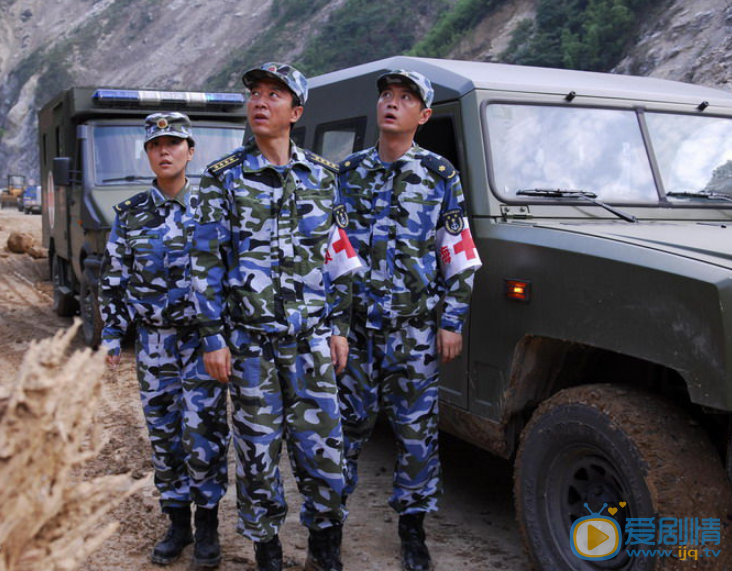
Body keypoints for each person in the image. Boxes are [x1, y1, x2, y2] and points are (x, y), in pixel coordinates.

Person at [190, 62, 360, 571]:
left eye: (274, 94)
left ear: (297, 111)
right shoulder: (223, 180)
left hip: (311, 343)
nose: (260, 102)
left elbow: (339, 258)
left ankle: (325, 551)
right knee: (259, 458)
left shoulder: (324, 178)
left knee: (324, 453)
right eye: (255, 94)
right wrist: (212, 338)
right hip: (250, 348)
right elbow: (205, 266)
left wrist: (340, 326)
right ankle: (268, 552)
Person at [337, 70, 482, 571]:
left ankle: (413, 531)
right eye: (386, 96)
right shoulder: (348, 173)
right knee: (346, 429)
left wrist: (452, 321)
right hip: (355, 333)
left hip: (414, 333)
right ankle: (329, 525)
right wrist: (332, 326)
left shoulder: (441, 176)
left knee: (416, 433)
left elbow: (457, 254)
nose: (391, 104)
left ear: (423, 116)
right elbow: (333, 256)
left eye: (404, 99)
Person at [99, 112, 230, 568]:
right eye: (156, 145)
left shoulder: (214, 209)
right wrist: (113, 332)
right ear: (148, 154)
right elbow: (113, 278)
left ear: (190, 151)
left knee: (206, 434)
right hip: (154, 345)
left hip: (202, 344)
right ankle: (178, 524)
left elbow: (231, 276)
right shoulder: (131, 214)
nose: (165, 151)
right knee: (165, 435)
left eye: (174, 143)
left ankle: (209, 526)